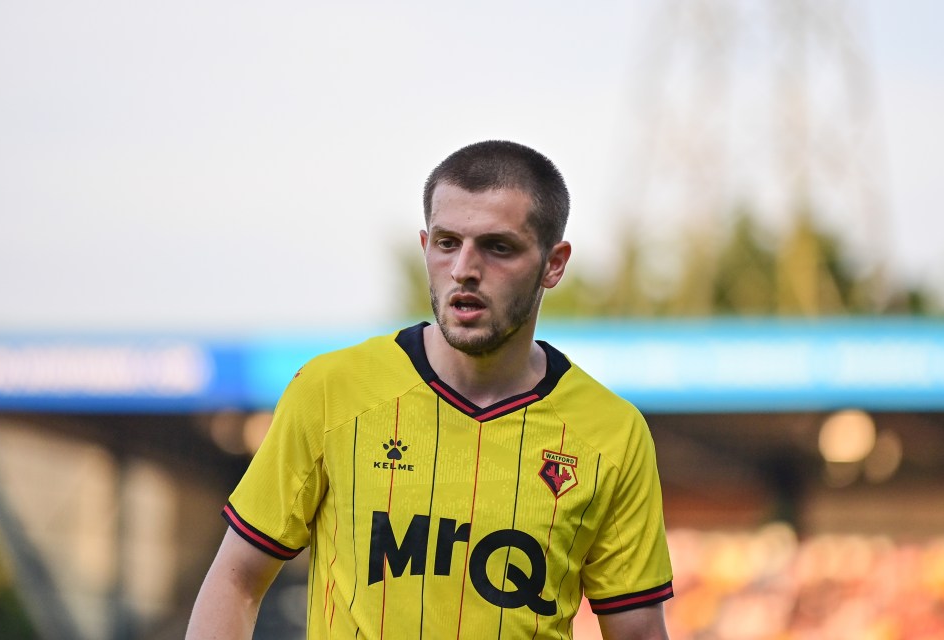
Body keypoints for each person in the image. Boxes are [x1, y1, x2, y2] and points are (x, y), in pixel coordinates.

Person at [187, 140, 673, 639]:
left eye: (497, 246)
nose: (464, 268)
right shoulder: (331, 391)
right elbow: (235, 581)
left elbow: (636, 631)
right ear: (425, 247)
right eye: (447, 243)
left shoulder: (613, 433)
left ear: (554, 263)